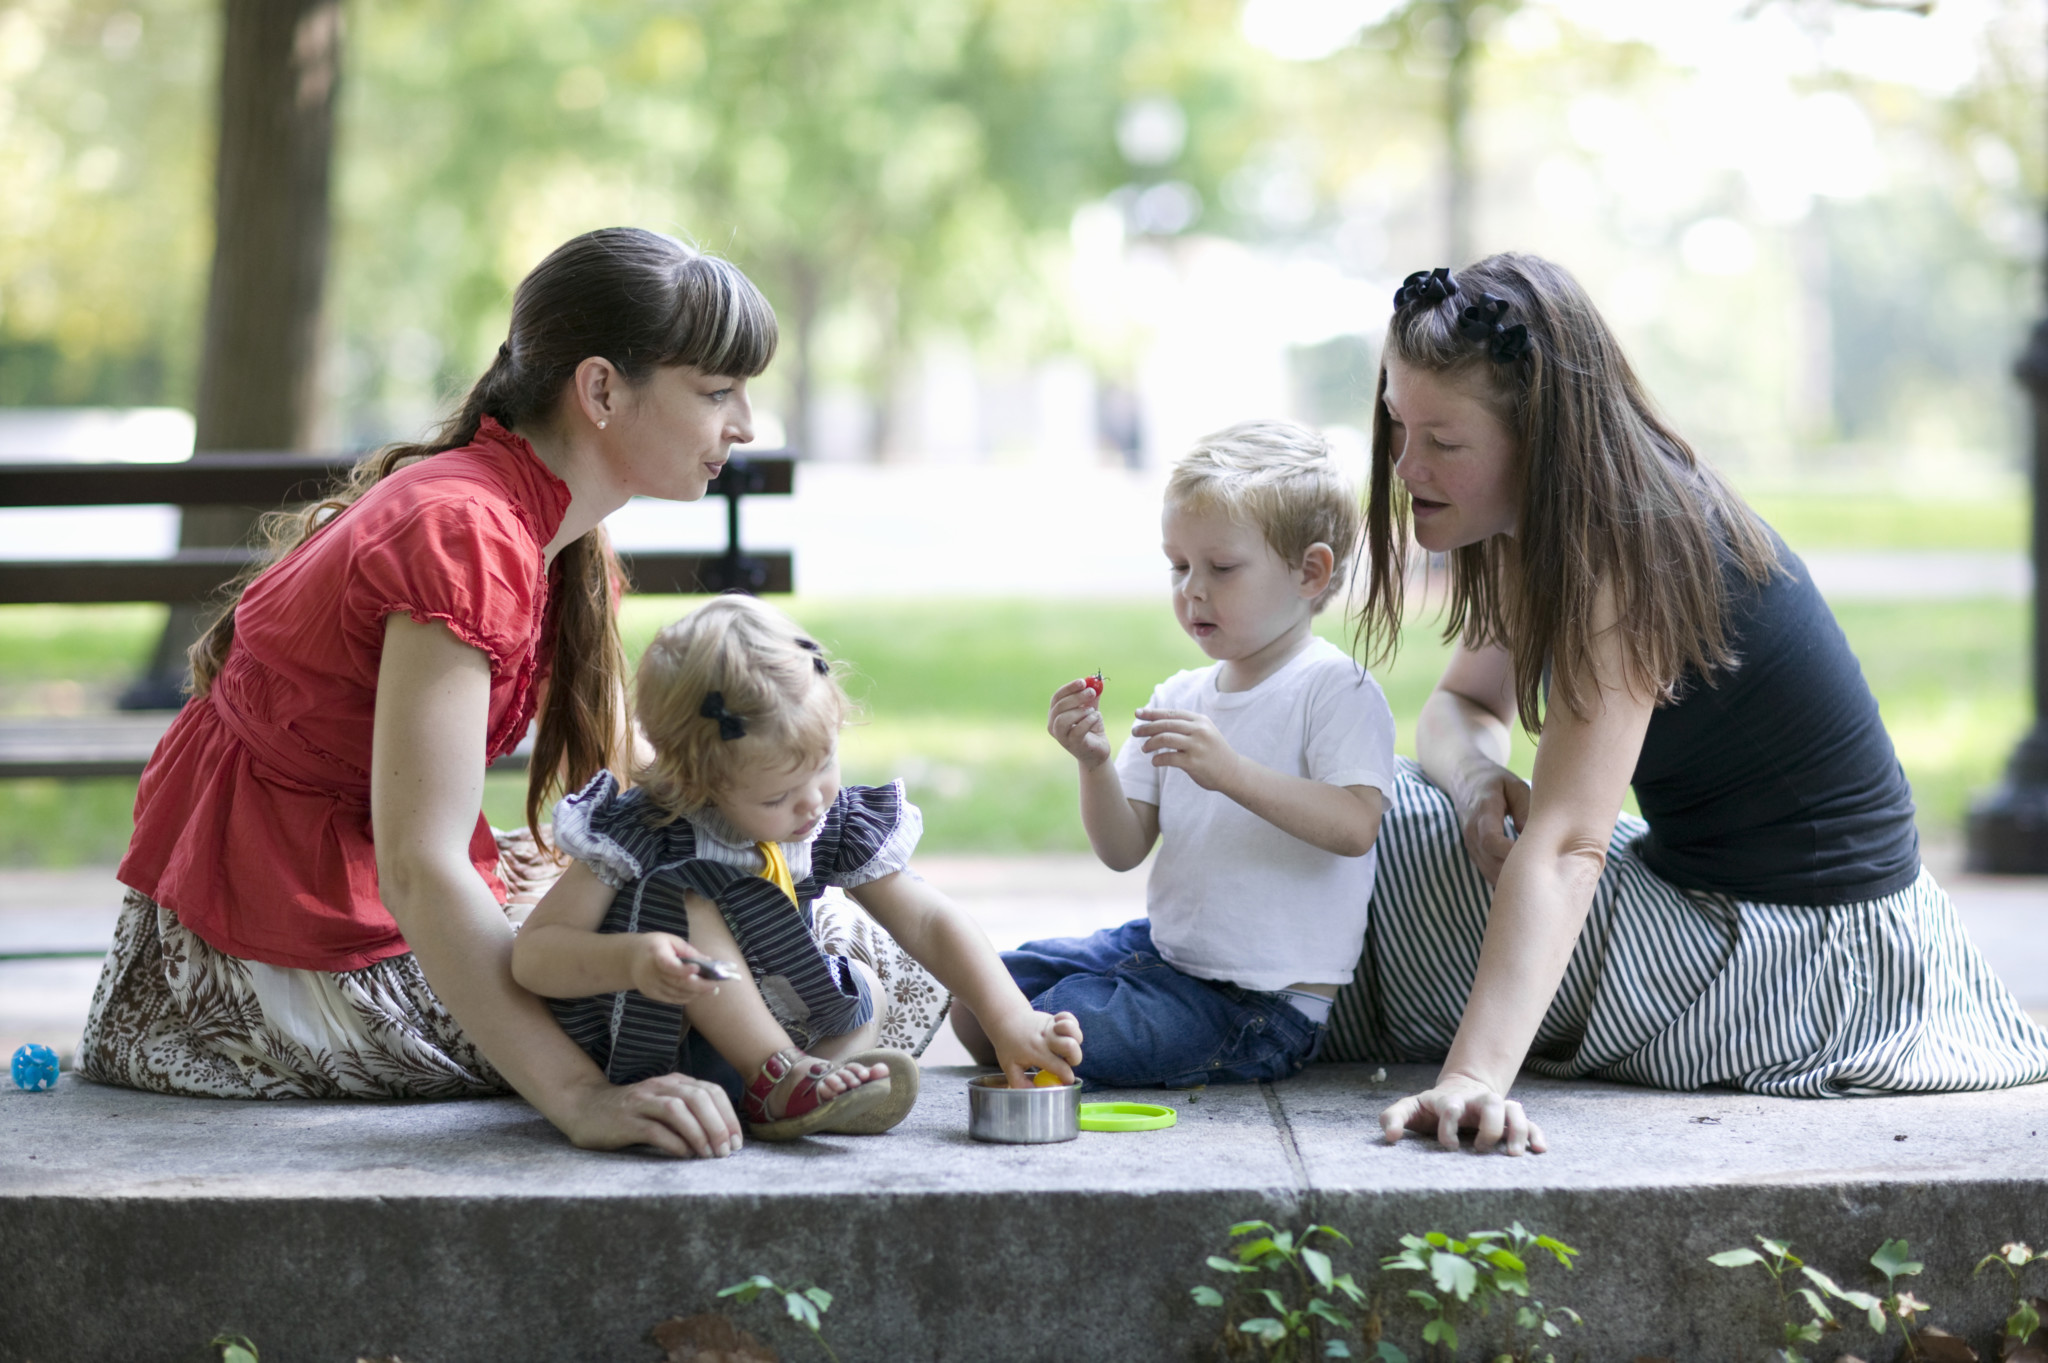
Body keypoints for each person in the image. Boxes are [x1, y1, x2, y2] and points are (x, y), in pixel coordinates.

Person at [75, 227, 927, 1160]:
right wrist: (580, 1098)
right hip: (270, 970)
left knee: (800, 910)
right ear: (601, 389)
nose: (745, 425)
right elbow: (419, 863)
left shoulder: (553, 529)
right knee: (823, 959)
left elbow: (652, 787)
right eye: (716, 391)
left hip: (328, 912)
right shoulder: (466, 531)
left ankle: (759, 1069)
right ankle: (762, 1078)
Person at [1329, 255, 2048, 1155]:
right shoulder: (1544, 520)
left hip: (1804, 959)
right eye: (1398, 425)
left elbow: (1566, 846)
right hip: (1712, 894)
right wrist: (1476, 781)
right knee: (1381, 807)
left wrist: (1473, 1079)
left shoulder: (1623, 551)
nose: (1406, 466)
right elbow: (1463, 704)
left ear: (1540, 436)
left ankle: (1220, 1005)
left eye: (1444, 441)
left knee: (1377, 852)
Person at [511, 594, 1085, 1135]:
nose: (813, 802)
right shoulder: (646, 830)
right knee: (690, 902)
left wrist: (1007, 1016)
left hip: (767, 1022)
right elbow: (534, 958)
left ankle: (802, 1091)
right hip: (655, 1033)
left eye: (825, 764)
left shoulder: (823, 818)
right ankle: (779, 1076)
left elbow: (928, 919)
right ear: (695, 784)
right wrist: (631, 961)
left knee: (869, 990)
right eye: (776, 798)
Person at [953, 420, 1396, 1088]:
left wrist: (1232, 772)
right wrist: (1095, 763)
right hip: (1162, 953)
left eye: (1220, 568)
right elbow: (1123, 846)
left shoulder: (1335, 689)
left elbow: (1355, 825)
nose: (1192, 589)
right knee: (979, 998)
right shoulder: (1182, 694)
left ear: (1310, 571)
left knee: (1042, 1025)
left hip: (1260, 1003)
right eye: (1179, 565)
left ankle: (1053, 1038)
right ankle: (1041, 1032)